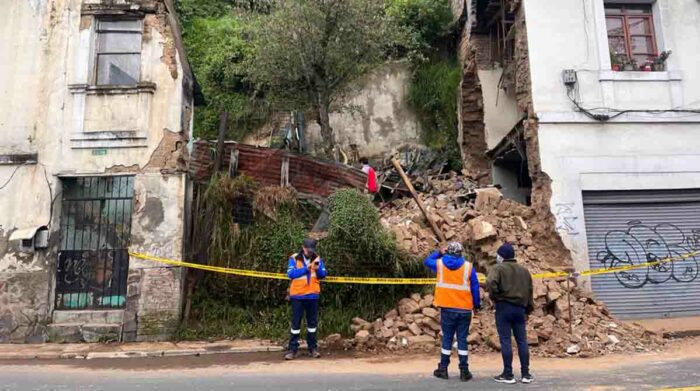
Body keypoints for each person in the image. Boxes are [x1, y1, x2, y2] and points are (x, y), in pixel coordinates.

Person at [424, 242, 481, 382]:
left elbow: (426, 261)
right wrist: (477, 304)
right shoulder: (468, 267)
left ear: (448, 252)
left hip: (447, 308)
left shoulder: (440, 264)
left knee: (447, 338)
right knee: (462, 339)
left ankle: (443, 369)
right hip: (464, 309)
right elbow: (475, 286)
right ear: (461, 252)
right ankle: (464, 370)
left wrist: (438, 252)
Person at [487, 243, 535, 384]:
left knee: (506, 340)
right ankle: (525, 374)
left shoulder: (498, 268)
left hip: (504, 308)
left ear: (501, 256)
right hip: (520, 309)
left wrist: (495, 297)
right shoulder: (524, 271)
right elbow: (530, 292)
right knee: (522, 341)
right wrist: (528, 310)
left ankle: (508, 374)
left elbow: (490, 283)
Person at [285, 238, 327, 360]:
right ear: (303, 247)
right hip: (297, 296)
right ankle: (293, 350)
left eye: (312, 250)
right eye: (308, 249)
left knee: (312, 324)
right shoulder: (294, 258)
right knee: (295, 324)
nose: (309, 252)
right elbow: (291, 274)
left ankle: (312, 348)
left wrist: (317, 268)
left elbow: (323, 275)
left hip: (312, 296)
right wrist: (307, 268)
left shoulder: (317, 259)